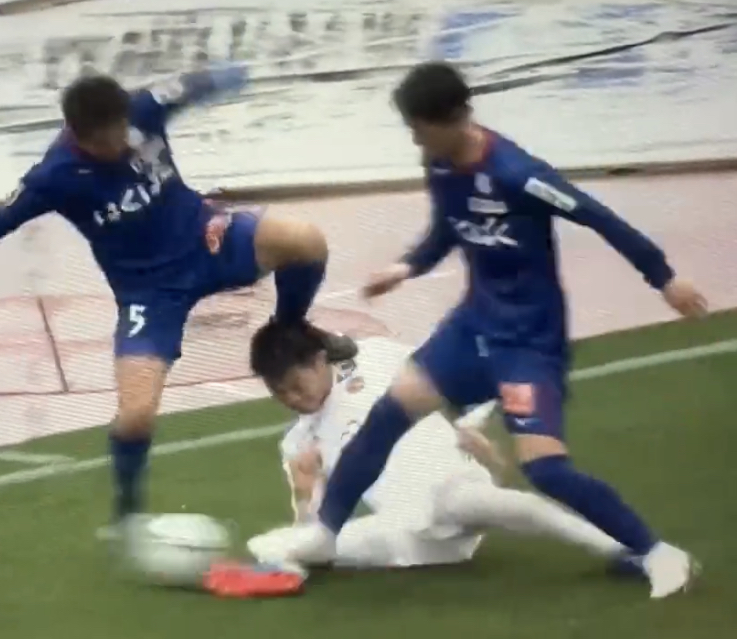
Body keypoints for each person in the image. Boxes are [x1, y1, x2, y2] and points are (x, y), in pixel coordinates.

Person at [252, 61, 707, 598]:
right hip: (471, 326)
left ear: (454, 117)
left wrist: (665, 278)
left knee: (547, 470)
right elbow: (448, 227)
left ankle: (656, 553)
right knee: (388, 414)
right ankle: (325, 534)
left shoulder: (519, 174)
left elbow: (599, 217)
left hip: (528, 342)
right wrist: (408, 266)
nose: (415, 139)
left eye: (420, 128)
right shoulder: (440, 164)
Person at [0, 65, 357, 533]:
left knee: (304, 240)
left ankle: (290, 329)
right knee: (136, 414)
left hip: (208, 237)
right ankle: (128, 511)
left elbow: (197, 82)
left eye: (123, 128)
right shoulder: (54, 177)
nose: (122, 142)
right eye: (108, 139)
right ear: (79, 137)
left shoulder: (146, 106)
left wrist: (236, 73)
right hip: (148, 293)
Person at [245, 324, 631, 572]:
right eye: (280, 394)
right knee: (269, 544)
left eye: (296, 386)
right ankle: (286, 572)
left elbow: (452, 374)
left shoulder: (375, 356)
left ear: (319, 361)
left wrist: (466, 424)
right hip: (405, 532)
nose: (292, 399)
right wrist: (304, 490)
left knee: (516, 506)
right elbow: (315, 528)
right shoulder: (298, 442)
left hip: (445, 488)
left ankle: (619, 549)